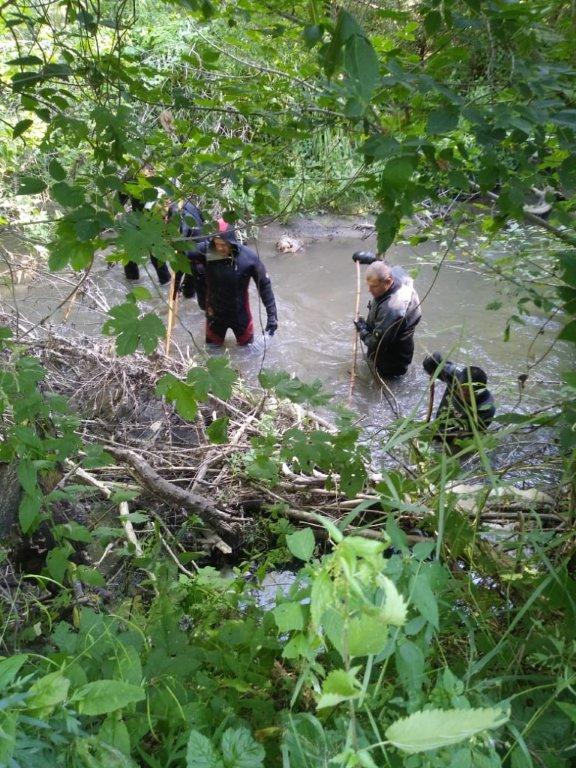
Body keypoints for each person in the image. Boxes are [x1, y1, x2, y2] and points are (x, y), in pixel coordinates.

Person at [186, 222, 278, 346]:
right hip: (214, 316)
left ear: (232, 242)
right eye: (217, 244)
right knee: (211, 351)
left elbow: (264, 285)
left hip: (240, 316)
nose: (219, 248)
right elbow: (183, 252)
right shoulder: (207, 250)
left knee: (247, 352)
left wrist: (272, 316)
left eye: (224, 244)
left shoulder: (248, 259)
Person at [353, 256, 421, 377]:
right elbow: (387, 267)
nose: (369, 290)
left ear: (388, 281)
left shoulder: (392, 309)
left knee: (383, 380)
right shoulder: (397, 274)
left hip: (390, 361)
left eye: (373, 286)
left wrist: (362, 330)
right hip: (399, 345)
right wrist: (373, 260)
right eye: (368, 285)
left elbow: (377, 344)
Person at [423, 352, 496, 439]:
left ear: (479, 393)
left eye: (468, 395)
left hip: (457, 433)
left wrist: (440, 436)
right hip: (440, 423)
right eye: (459, 390)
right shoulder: (455, 377)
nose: (462, 396)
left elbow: (470, 435)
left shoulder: (486, 409)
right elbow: (437, 362)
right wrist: (430, 364)